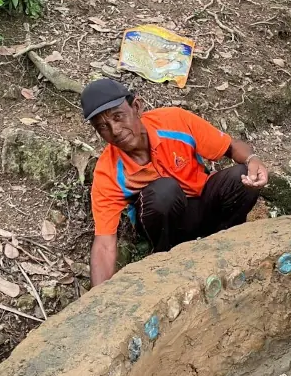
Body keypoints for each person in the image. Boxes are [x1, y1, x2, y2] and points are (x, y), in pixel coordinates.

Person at [81, 79, 270, 286]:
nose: (115, 130)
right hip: (166, 225)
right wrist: (97, 298)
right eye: (103, 127)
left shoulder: (174, 122)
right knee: (165, 191)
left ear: (136, 107)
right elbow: (104, 244)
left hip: (203, 204)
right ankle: (168, 261)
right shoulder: (108, 172)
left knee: (241, 177)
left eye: (118, 117)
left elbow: (230, 147)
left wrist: (253, 161)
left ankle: (224, 245)